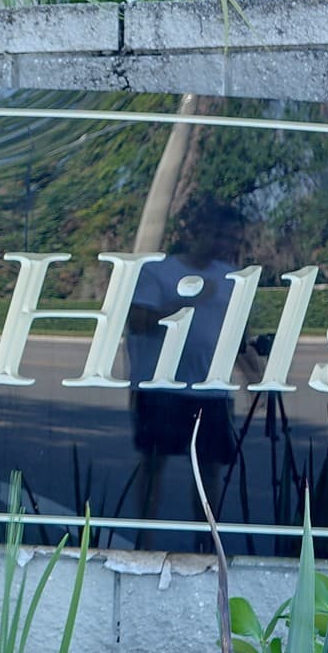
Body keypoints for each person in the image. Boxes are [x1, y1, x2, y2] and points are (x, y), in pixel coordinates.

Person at [125, 196, 258, 533]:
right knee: (154, 464)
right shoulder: (159, 271)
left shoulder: (231, 278)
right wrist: (187, 301)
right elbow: (138, 321)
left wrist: (260, 380)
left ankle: (207, 546)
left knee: (211, 470)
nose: (226, 245)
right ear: (199, 230)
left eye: (233, 239)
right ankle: (145, 541)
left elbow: (239, 337)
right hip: (161, 387)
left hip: (211, 390)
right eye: (221, 236)